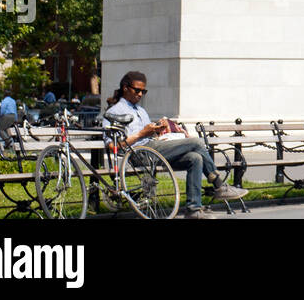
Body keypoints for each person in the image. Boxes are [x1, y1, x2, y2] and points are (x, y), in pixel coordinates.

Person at [105, 71, 247, 218]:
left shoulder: (140, 110)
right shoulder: (114, 112)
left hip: (154, 148)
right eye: (137, 90)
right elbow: (112, 145)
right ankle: (219, 185)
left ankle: (193, 210)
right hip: (139, 154)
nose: (140, 94)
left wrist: (159, 130)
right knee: (196, 142)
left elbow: (149, 134)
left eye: (143, 91)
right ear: (125, 88)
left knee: (195, 158)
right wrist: (141, 133)